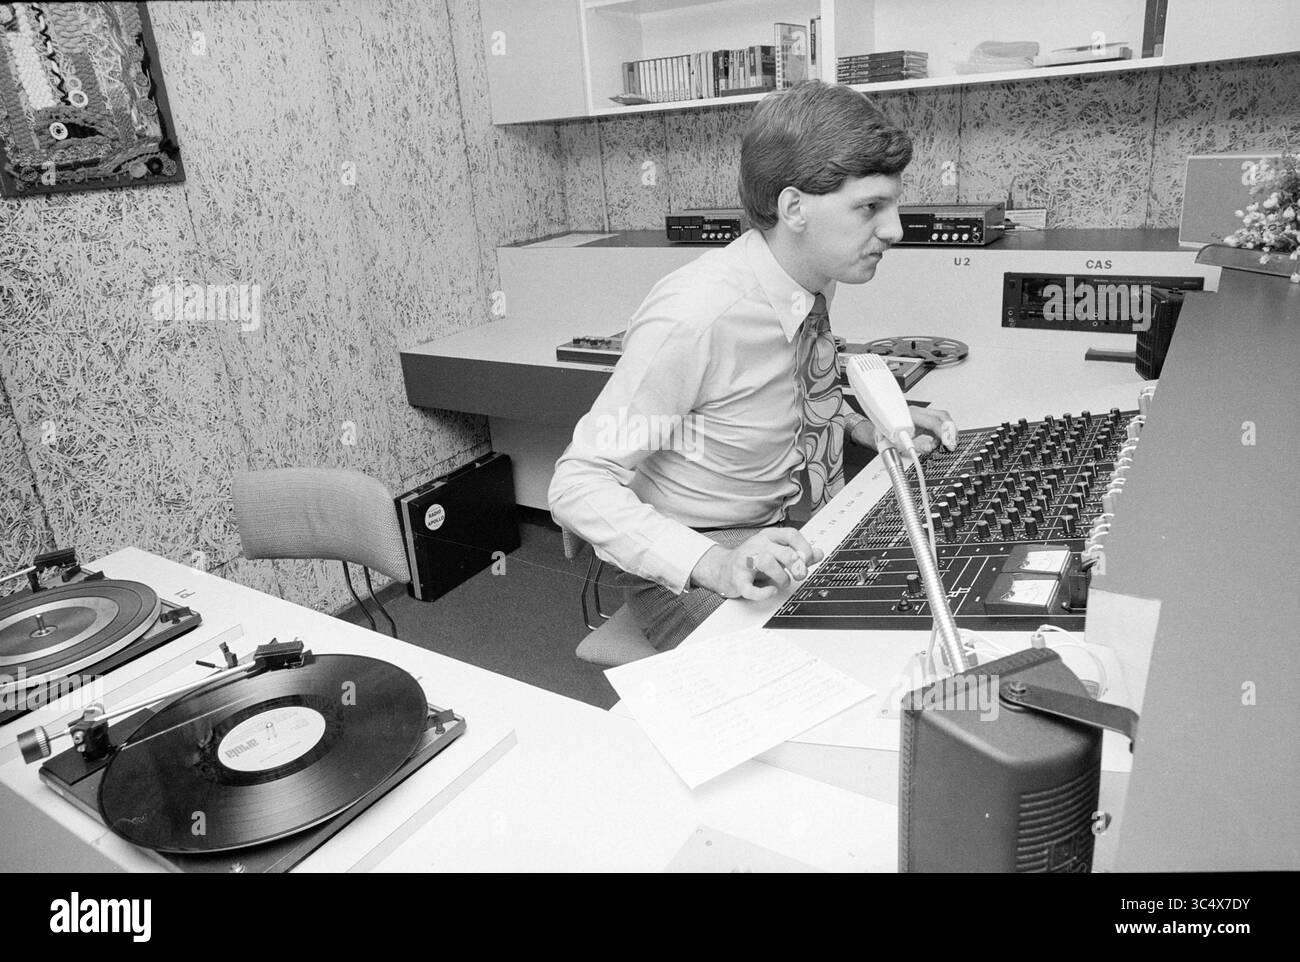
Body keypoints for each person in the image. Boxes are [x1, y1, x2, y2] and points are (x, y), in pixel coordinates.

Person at [549, 80, 956, 649]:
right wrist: (715, 562)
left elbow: (790, 393)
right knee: (831, 658)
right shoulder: (697, 316)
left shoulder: (810, 277)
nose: (894, 229)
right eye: (870, 207)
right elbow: (576, 483)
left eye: (892, 203)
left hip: (785, 523)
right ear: (794, 208)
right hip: (698, 546)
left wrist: (871, 421)